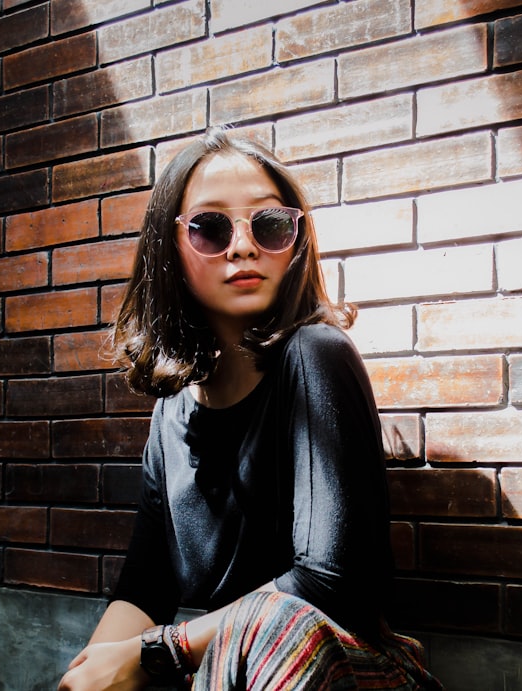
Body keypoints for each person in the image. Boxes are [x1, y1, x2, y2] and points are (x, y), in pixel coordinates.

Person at [58, 128, 442, 691]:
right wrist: (88, 677)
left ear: (294, 239)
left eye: (268, 224)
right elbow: (145, 587)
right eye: (210, 229)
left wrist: (156, 652)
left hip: (331, 668)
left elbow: (330, 585)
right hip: (215, 673)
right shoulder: (171, 412)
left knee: (274, 625)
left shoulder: (317, 355)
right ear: (171, 250)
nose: (242, 246)